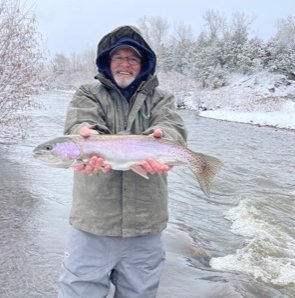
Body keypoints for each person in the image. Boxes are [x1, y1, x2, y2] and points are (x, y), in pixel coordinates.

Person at [58, 25, 187, 298]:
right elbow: (80, 124)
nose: (125, 64)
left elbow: (173, 128)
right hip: (93, 222)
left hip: (146, 225)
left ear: (144, 64)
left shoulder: (162, 98)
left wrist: (163, 138)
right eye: (118, 57)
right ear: (107, 61)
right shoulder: (88, 93)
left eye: (132, 58)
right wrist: (85, 134)